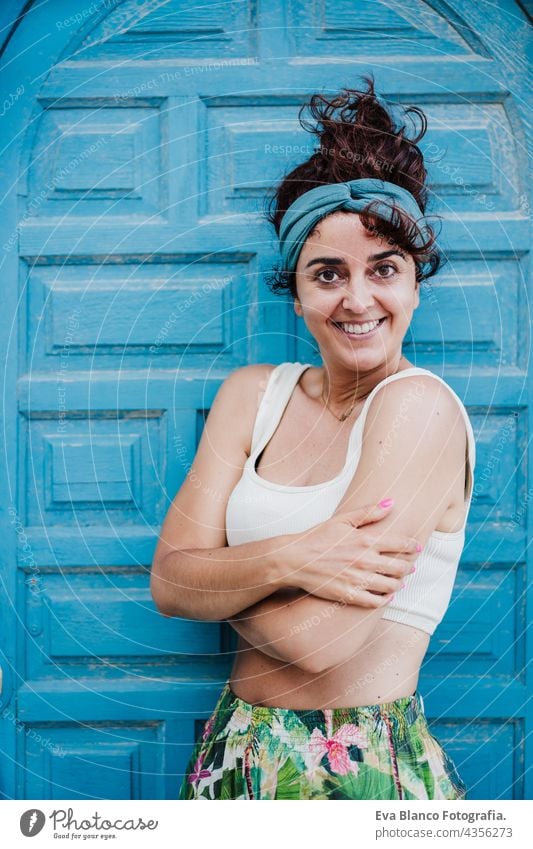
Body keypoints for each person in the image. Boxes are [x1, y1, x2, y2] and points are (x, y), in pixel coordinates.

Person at [150, 77, 476, 800]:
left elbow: (319, 642)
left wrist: (210, 572)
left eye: (383, 269)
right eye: (327, 273)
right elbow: (166, 584)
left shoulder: (417, 409)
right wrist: (295, 553)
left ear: (415, 284)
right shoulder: (251, 396)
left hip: (356, 765)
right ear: (296, 293)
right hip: (232, 752)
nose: (357, 299)